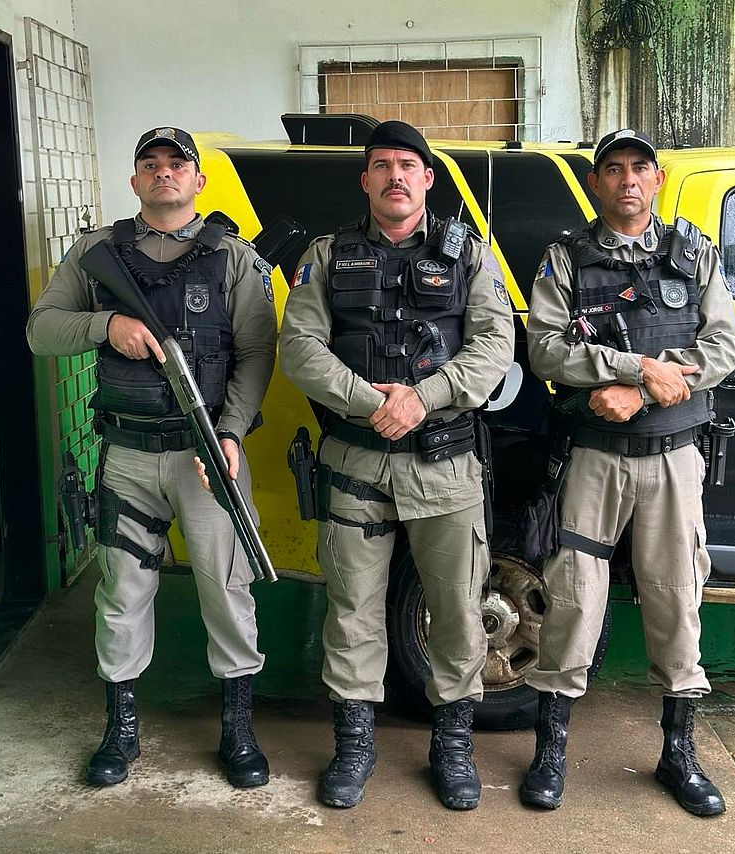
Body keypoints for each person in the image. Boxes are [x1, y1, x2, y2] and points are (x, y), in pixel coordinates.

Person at [26, 127, 276, 790]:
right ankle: (121, 727)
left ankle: (238, 725)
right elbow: (40, 330)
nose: (164, 172)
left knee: (227, 590)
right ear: (135, 181)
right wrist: (105, 326)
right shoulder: (95, 254)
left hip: (208, 457)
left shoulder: (236, 258)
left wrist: (229, 433)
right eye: (151, 164)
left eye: (178, 164)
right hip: (128, 455)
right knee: (121, 591)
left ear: (198, 182)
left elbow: (257, 354)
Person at [277, 120, 515, 810]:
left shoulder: (468, 254)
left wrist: (424, 398)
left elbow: (495, 347)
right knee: (351, 612)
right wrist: (367, 401)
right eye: (381, 165)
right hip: (355, 460)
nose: (395, 176)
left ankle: (453, 746)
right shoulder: (328, 255)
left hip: (445, 468)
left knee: (457, 613)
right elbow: (301, 347)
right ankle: (354, 745)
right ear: (366, 180)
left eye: (408, 165)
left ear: (428, 179)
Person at [522, 128, 735, 816]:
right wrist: (630, 367)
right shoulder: (566, 258)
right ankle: (551, 749)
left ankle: (678, 754)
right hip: (594, 459)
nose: (626, 180)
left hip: (674, 459)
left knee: (677, 599)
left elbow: (724, 343)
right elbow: (546, 350)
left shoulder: (694, 253)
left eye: (638, 169)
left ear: (655, 179)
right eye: (612, 169)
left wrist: (642, 391)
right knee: (573, 601)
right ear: (597, 184)